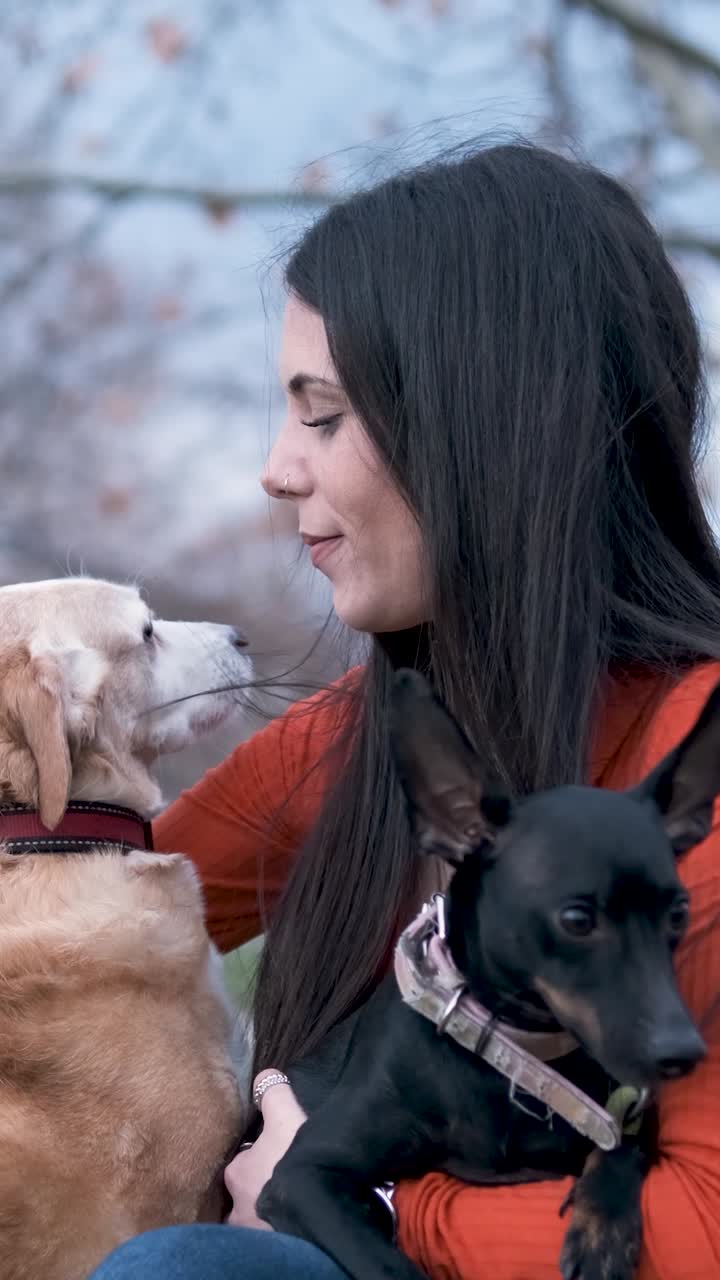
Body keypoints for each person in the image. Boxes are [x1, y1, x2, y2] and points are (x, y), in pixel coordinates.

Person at [90, 143, 720, 1279]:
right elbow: (93, 904)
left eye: (322, 416)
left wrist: (368, 1197)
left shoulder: (696, 774)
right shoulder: (372, 735)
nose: (276, 469)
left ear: (489, 430)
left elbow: (700, 1228)